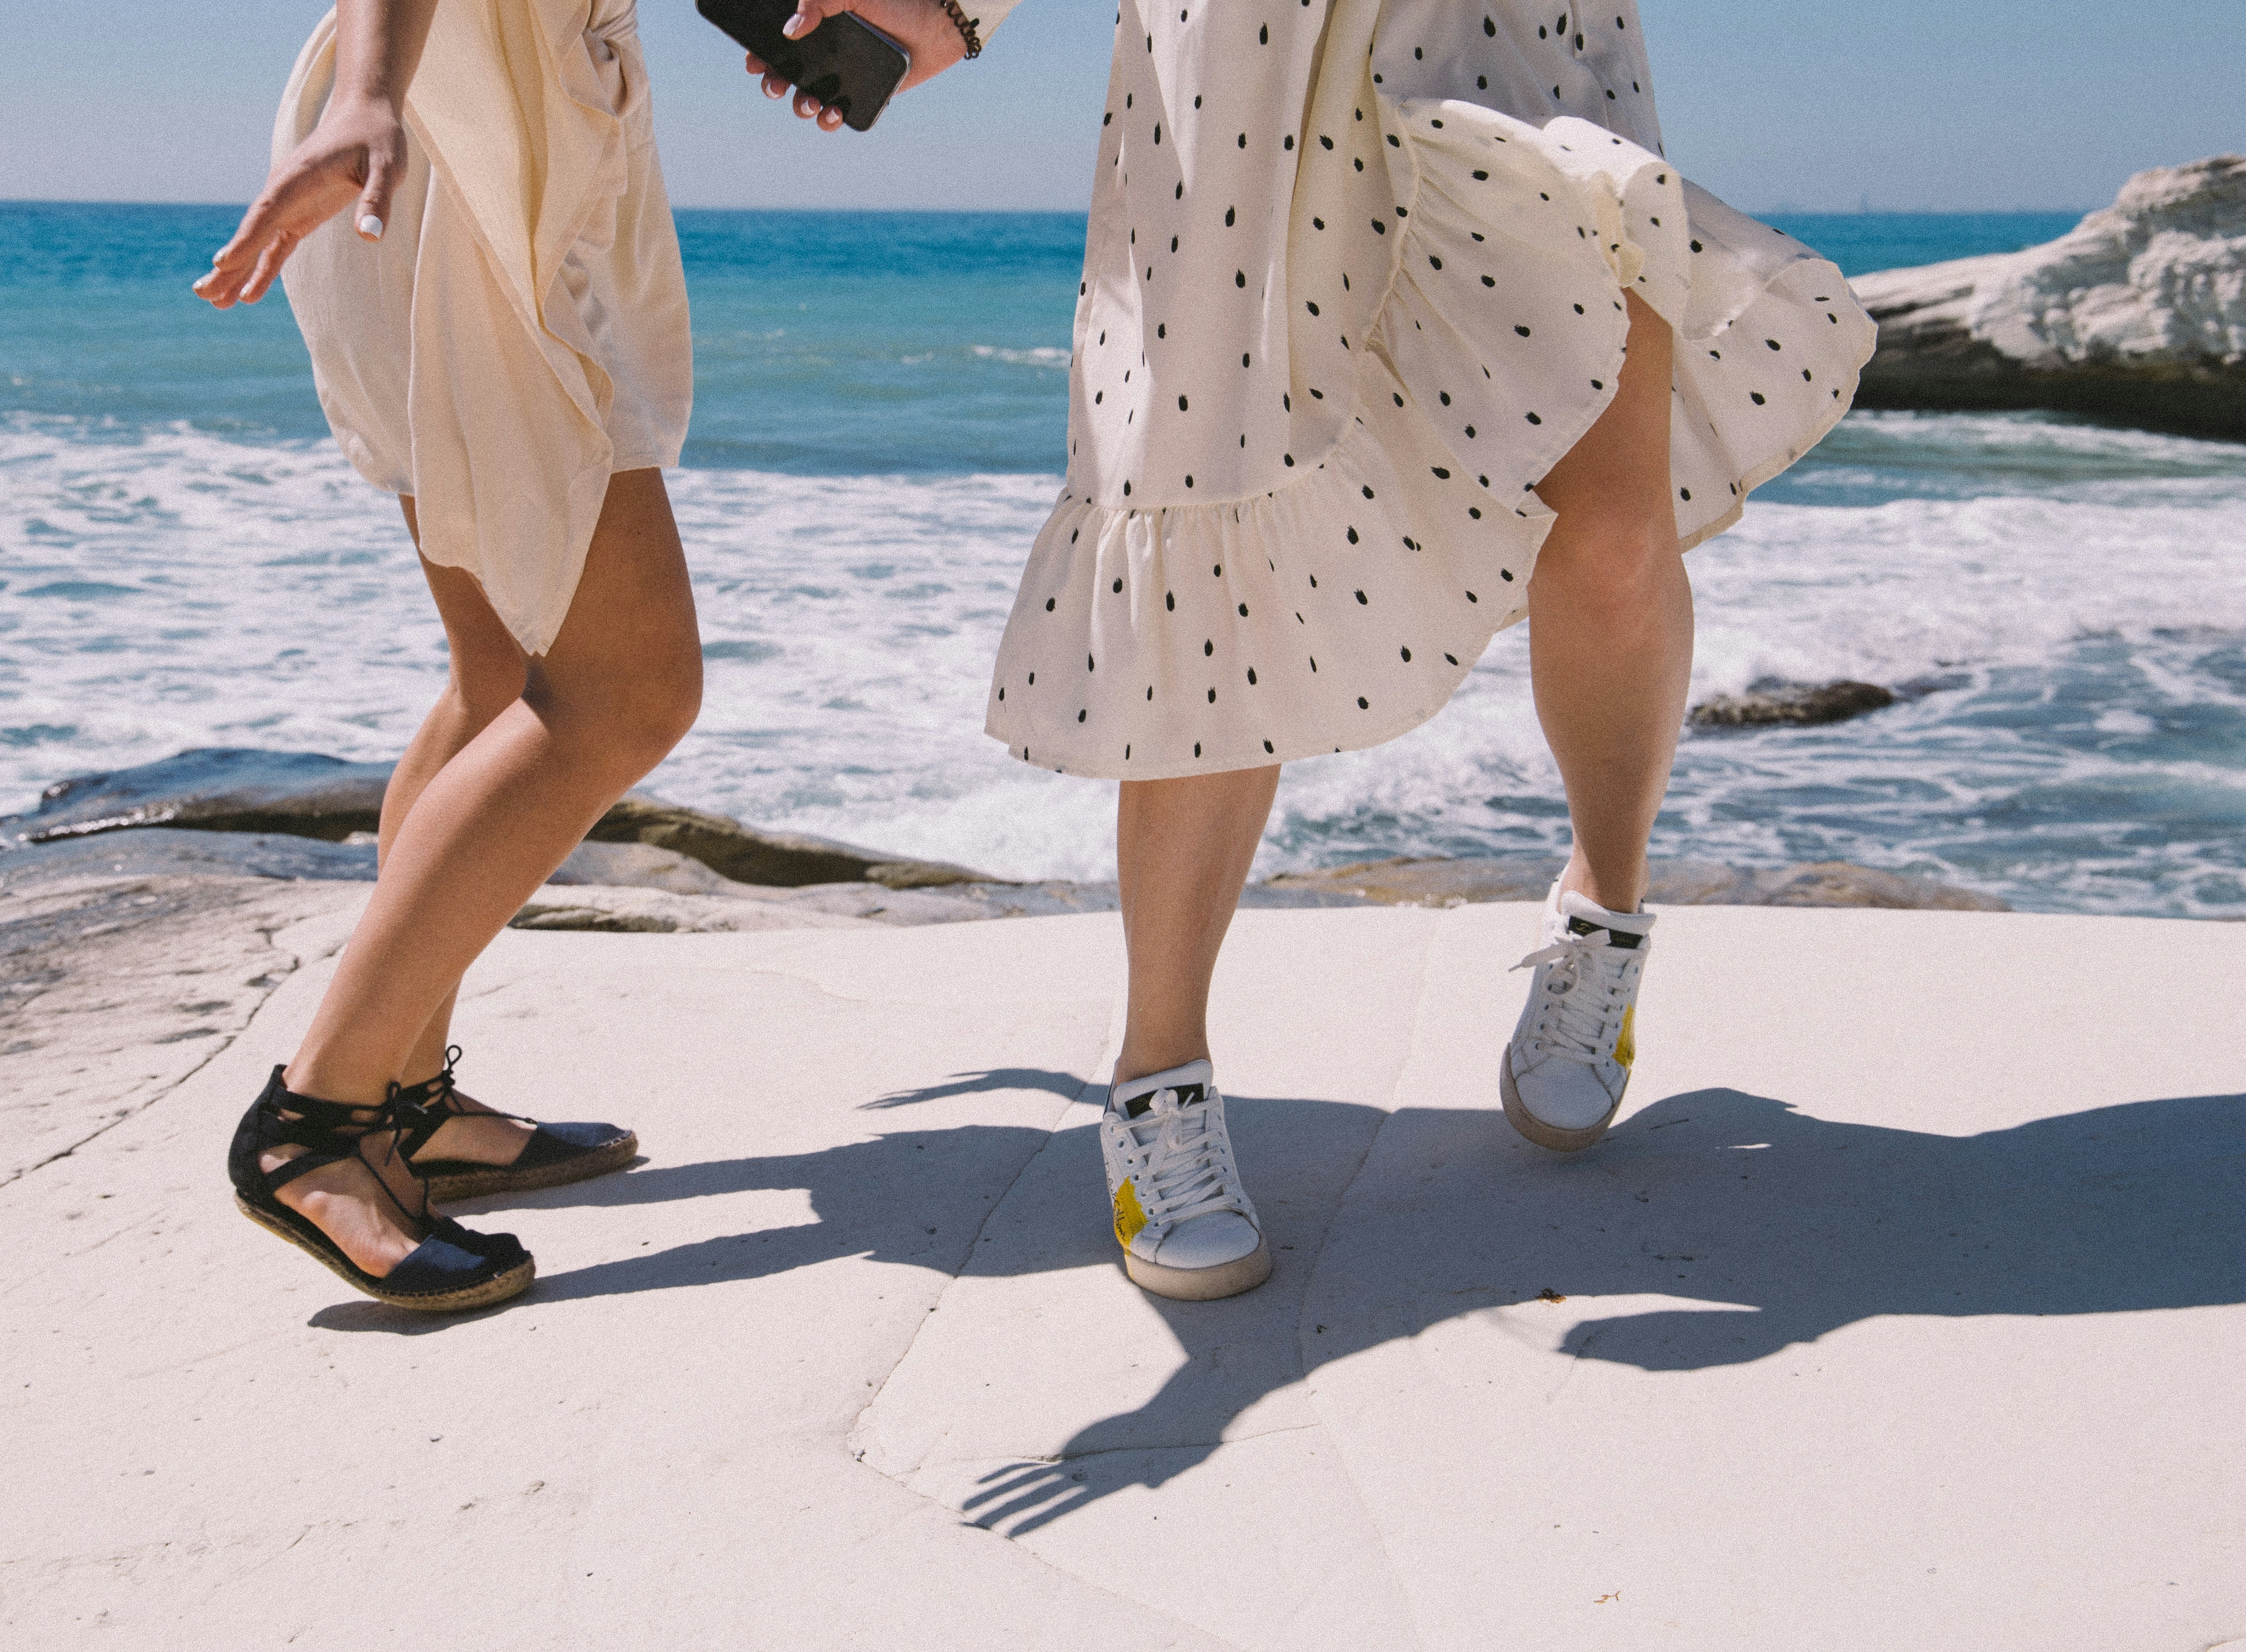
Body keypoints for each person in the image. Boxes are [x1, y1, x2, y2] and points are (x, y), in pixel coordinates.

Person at [760, 0, 1874, 1298]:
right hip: (1237, 71)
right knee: (1214, 539)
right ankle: (1158, 1079)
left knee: (1617, 531)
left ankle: (1604, 916)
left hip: (1515, 35)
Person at [192, 0, 724, 1310]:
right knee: (626, 689)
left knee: (502, 676)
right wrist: (370, 88)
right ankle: (317, 1121)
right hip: (455, 156)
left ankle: (406, 1107)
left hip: (485, 139)